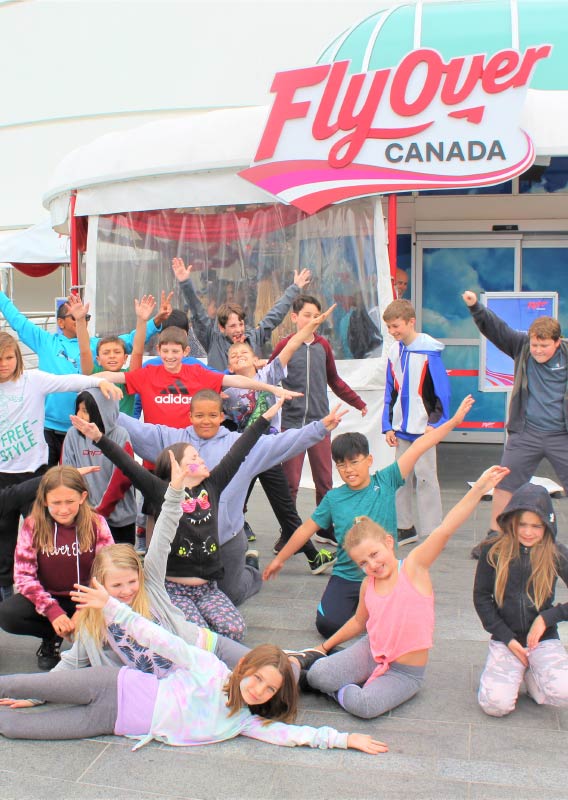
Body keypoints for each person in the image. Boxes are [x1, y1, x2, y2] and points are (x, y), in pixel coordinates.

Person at [0, 576, 387, 756]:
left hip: (108, 722)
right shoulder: (209, 669)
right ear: (244, 669)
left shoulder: (244, 722)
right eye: (257, 679)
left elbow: (291, 735)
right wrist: (113, 608)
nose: (258, 690)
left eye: (268, 690)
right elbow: (159, 638)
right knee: (16, 685)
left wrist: (343, 739)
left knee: (15, 729)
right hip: (109, 684)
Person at [293, 465, 508, 718]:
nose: (372, 565)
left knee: (364, 706)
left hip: (405, 672)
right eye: (363, 563)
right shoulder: (367, 584)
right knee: (318, 674)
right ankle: (338, 674)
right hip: (372, 650)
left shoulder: (414, 568)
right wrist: (322, 647)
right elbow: (359, 622)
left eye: (374, 555)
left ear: (388, 542)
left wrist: (481, 488)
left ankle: (341, 687)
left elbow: (445, 528)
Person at [69, 400, 287, 641]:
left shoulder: (212, 486)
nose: (202, 458)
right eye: (195, 456)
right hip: (174, 591)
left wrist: (266, 418)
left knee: (234, 631)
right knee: (194, 636)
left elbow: (239, 450)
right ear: (177, 466)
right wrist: (99, 438)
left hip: (208, 589)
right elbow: (128, 465)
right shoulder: (161, 491)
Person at [263, 396, 475, 637]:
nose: (348, 470)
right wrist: (281, 558)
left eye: (354, 462)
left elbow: (419, 446)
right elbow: (305, 530)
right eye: (341, 465)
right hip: (346, 575)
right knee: (327, 626)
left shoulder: (386, 480)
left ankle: (371, 613)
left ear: (369, 460)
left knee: (403, 624)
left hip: (384, 571)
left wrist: (455, 421)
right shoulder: (333, 498)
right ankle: (366, 614)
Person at [117, 389, 346, 605]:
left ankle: (251, 568)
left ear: (222, 415)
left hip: (227, 538)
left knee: (231, 596)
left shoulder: (238, 444)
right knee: (171, 599)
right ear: (190, 415)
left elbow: (282, 442)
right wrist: (99, 390)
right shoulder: (171, 441)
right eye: (199, 415)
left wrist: (320, 428)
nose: (206, 420)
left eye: (212, 415)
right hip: (183, 540)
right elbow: (135, 428)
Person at [0, 332, 121, 600]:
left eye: (9, 357)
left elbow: (68, 380)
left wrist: (99, 380)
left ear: (17, 357)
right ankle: (8, 595)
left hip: (35, 472)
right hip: (2, 476)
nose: (4, 364)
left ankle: (46, 591)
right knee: (3, 541)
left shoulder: (33, 380)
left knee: (44, 537)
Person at [224, 303, 338, 574]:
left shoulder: (269, 375)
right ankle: (227, 554)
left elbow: (291, 345)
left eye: (244, 352)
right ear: (229, 365)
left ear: (255, 360)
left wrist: (309, 326)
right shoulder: (225, 386)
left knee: (285, 507)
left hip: (268, 450)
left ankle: (313, 556)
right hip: (241, 453)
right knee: (232, 503)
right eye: (234, 354)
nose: (239, 355)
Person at [0, 290, 167, 465]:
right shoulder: (44, 340)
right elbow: (17, 320)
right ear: (60, 322)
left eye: (86, 317)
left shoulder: (100, 346)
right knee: (45, 483)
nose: (111, 355)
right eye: (75, 317)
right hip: (48, 429)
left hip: (87, 430)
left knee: (82, 482)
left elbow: (135, 341)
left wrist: (155, 320)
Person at [463, 290, 568, 541]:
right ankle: (494, 537)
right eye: (535, 345)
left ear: (557, 342)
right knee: (504, 482)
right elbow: (496, 328)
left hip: (561, 435)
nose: (538, 350)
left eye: (544, 346)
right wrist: (476, 307)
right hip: (526, 433)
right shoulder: (521, 346)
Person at [270, 293, 367, 547]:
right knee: (289, 483)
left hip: (320, 423)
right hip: (291, 424)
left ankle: (324, 528)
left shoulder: (323, 346)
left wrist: (358, 402)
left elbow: (334, 380)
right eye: (307, 315)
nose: (312, 320)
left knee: (324, 480)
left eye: (316, 316)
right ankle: (289, 531)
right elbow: (268, 377)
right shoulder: (285, 345)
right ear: (294, 318)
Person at [0, 465, 114, 670]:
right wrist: (53, 612)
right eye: (56, 502)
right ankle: (52, 635)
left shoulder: (97, 523)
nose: (63, 509)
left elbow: (108, 570)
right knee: (7, 614)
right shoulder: (32, 525)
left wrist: (85, 608)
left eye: (70, 501)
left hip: (86, 597)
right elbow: (24, 576)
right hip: (50, 597)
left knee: (116, 612)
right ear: (44, 500)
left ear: (82, 497)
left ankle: (87, 638)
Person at [473, 482, 568, 716]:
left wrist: (547, 618)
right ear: (512, 522)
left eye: (536, 526)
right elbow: (482, 597)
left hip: (542, 639)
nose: (528, 532)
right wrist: (506, 638)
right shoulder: (492, 549)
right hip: (506, 638)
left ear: (547, 526)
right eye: (522, 524)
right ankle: (516, 668)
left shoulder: (556, 552)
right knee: (495, 705)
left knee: (562, 692)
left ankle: (531, 670)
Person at [99, 326, 301, 434]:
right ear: (158, 351)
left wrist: (273, 389)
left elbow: (238, 381)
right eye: (166, 351)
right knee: (154, 509)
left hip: (190, 451)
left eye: (175, 351)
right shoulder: (148, 373)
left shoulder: (197, 372)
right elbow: (112, 375)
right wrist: (95, 382)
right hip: (156, 454)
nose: (170, 356)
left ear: (185, 351)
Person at [382, 299, 451, 545]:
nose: (392, 331)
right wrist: (387, 425)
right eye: (389, 327)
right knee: (399, 479)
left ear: (411, 322)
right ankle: (404, 526)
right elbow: (390, 390)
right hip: (401, 428)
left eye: (396, 326)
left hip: (424, 428)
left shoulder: (429, 350)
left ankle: (433, 530)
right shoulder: (394, 351)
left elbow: (442, 391)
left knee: (426, 478)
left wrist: (437, 421)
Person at [171, 256, 312, 370]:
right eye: (232, 326)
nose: (238, 330)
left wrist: (294, 288)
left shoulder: (253, 338)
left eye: (240, 324)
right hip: (222, 404)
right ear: (221, 328)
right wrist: (185, 283)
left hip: (252, 403)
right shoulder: (213, 340)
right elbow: (198, 313)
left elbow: (274, 316)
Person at [62, 389, 137, 545]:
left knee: (120, 564)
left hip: (119, 519)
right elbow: (67, 473)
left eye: (86, 411)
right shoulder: (72, 435)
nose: (80, 416)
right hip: (85, 517)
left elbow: (122, 479)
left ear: (102, 412)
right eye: (78, 410)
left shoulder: (120, 435)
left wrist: (101, 511)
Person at [69, 292, 158, 417]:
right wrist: (79, 319)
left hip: (125, 433)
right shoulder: (92, 373)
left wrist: (142, 320)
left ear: (125, 358)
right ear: (98, 359)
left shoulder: (130, 376)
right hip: (98, 431)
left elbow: (138, 350)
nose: (112, 356)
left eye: (117, 352)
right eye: (106, 353)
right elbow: (84, 350)